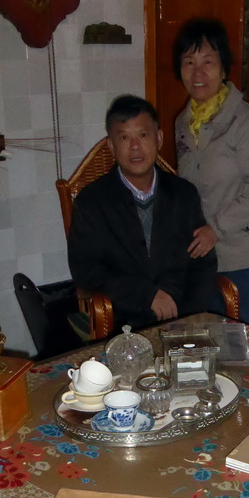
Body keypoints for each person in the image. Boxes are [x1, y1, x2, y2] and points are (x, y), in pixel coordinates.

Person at [67, 94, 217, 331]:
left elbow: (203, 263)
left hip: (183, 317)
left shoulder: (184, 194)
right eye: (124, 137)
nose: (135, 146)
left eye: (143, 135)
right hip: (122, 322)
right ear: (111, 146)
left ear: (159, 138)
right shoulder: (91, 202)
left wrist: (189, 317)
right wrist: (146, 295)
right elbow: (86, 271)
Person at [173, 18, 249, 328]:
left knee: (240, 343)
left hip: (239, 255)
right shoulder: (182, 122)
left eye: (208, 61)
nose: (198, 72)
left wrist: (216, 229)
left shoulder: (247, 121)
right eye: (189, 62)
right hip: (197, 254)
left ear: (223, 68)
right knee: (201, 337)